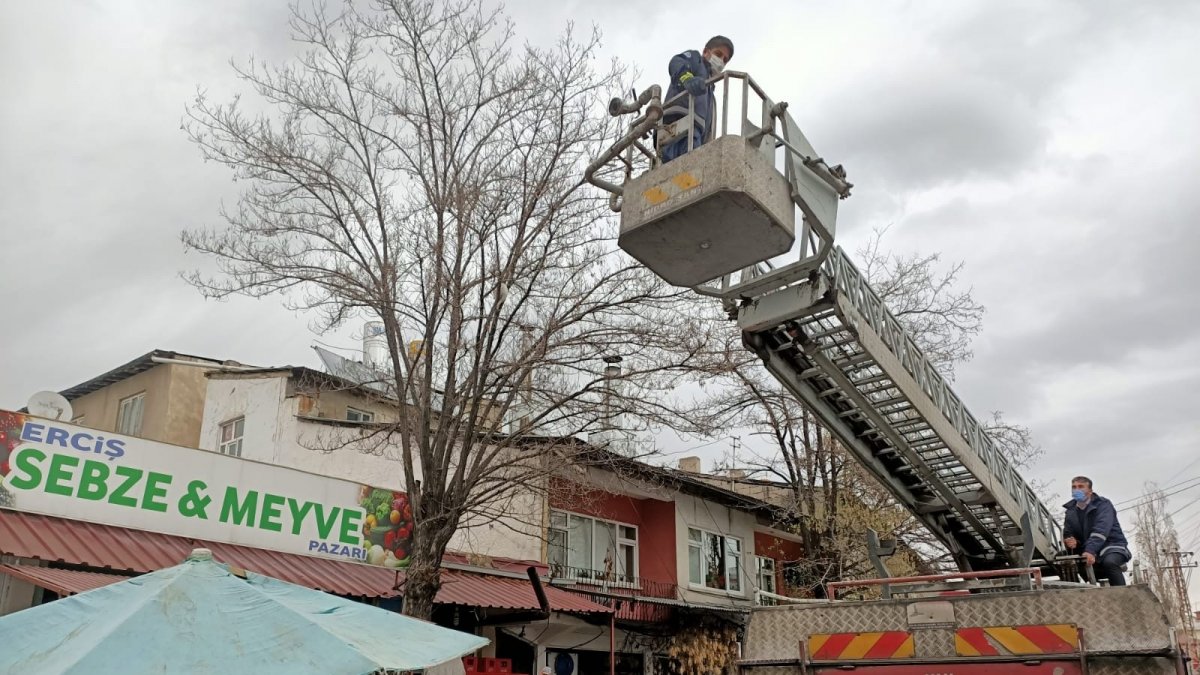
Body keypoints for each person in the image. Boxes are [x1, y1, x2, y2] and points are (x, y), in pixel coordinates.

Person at [660, 35, 735, 163]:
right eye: (718, 54)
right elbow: (677, 62)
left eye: (725, 59)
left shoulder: (710, 92)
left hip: (696, 136)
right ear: (706, 52)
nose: (721, 61)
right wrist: (687, 79)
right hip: (676, 126)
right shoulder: (696, 60)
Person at [1062, 475, 1130, 586]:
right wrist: (1071, 541)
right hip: (1086, 550)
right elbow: (1068, 532)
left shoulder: (1103, 505)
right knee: (1063, 562)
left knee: (1110, 562)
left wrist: (1090, 550)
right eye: (1074, 487)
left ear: (1090, 490)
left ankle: (1122, 595)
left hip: (1111, 546)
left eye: (1081, 486)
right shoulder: (1071, 511)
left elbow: (1101, 530)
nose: (1076, 490)